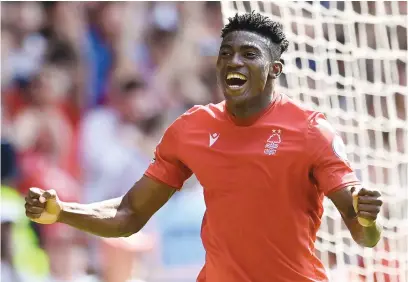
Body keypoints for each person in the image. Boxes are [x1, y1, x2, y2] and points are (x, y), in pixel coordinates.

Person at [25, 12, 383, 282]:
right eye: (226, 53)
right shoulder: (191, 128)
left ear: (275, 69)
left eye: (248, 54)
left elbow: (364, 235)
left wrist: (366, 218)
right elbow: (128, 215)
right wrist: (61, 212)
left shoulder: (310, 130)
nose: (234, 62)